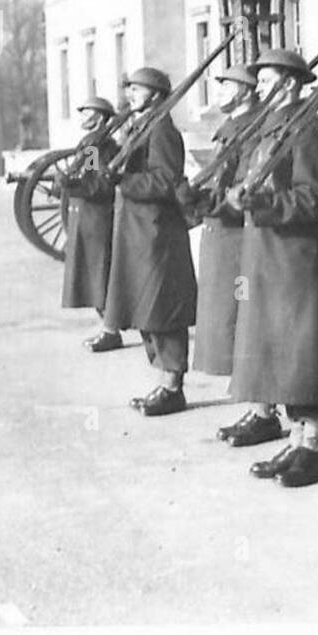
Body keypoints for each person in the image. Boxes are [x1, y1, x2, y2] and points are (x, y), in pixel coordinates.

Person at [223, 49, 318, 486]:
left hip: (296, 258)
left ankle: (314, 446)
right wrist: (239, 197)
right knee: (279, 350)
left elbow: (313, 194)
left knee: (302, 353)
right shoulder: (269, 127)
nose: (259, 87)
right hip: (268, 254)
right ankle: (296, 438)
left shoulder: (308, 129)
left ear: (289, 84)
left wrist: (266, 204)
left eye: (267, 79)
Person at [102, 67, 198, 416]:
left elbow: (165, 181)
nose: (130, 94)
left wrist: (123, 181)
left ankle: (173, 385)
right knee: (145, 308)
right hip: (137, 232)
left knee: (163, 309)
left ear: (156, 95)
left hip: (158, 234)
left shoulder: (162, 131)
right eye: (130, 88)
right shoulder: (141, 126)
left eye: (138, 90)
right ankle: (162, 381)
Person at [176, 65, 260, 378]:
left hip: (236, 237)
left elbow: (244, 185)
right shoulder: (232, 125)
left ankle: (257, 402)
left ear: (247, 91)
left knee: (239, 317)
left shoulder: (252, 127)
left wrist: (208, 202)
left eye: (228, 86)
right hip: (221, 232)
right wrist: (199, 201)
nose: (220, 91)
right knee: (223, 317)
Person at [59, 96, 123, 352]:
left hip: (95, 218)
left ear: (101, 118)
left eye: (88, 113)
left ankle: (111, 331)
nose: (83, 117)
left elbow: (96, 184)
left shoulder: (97, 147)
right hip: (85, 217)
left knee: (99, 274)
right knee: (94, 274)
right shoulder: (92, 144)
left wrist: (70, 184)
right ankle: (108, 327)